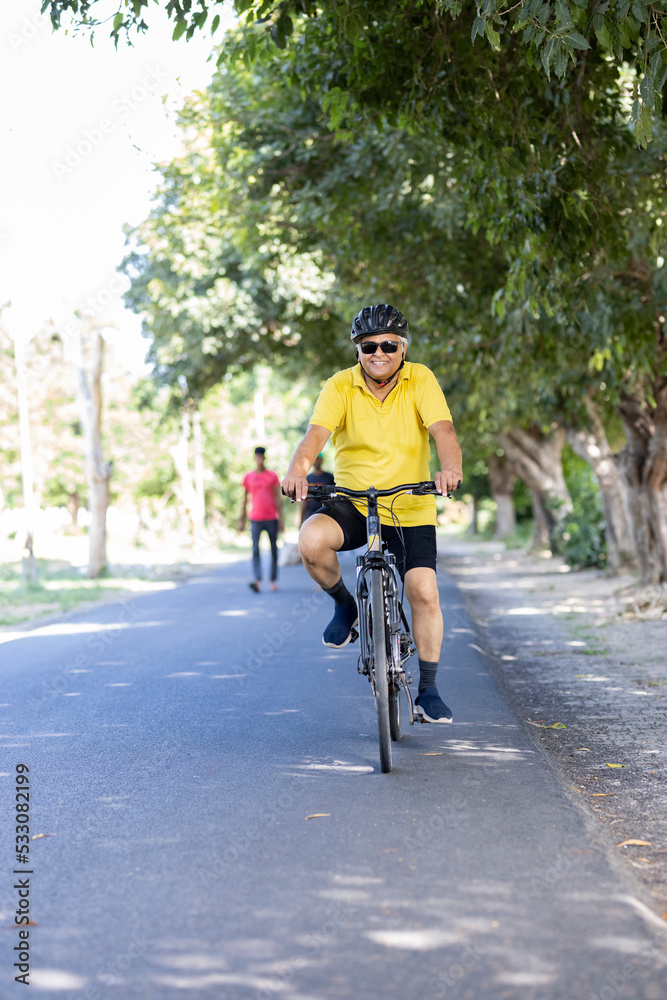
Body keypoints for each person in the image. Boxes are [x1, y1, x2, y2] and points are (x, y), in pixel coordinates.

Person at [282, 304, 462, 723]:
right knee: (311, 541)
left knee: (423, 590)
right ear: (357, 350)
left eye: (388, 345)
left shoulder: (421, 378)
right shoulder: (340, 386)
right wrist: (296, 472)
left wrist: (450, 469)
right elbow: (315, 438)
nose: (378, 353)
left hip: (410, 504)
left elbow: (443, 431)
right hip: (354, 500)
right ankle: (345, 605)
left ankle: (428, 690)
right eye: (369, 346)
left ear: (403, 347)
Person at [238, 446, 284, 593]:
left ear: (264, 458)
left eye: (261, 457)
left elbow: (278, 498)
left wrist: (281, 520)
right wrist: (241, 520)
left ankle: (272, 580)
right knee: (255, 549)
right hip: (255, 519)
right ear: (254, 458)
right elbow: (244, 500)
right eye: (257, 457)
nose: (259, 460)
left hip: (271, 518)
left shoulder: (272, 475)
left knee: (273, 550)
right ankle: (257, 580)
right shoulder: (248, 477)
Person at [300, 454, 335, 526]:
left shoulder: (330, 477)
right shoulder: (308, 478)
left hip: (327, 513)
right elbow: (304, 501)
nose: (316, 461)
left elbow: (335, 496)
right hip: (311, 514)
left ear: (321, 460)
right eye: (314, 459)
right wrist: (301, 521)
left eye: (318, 459)